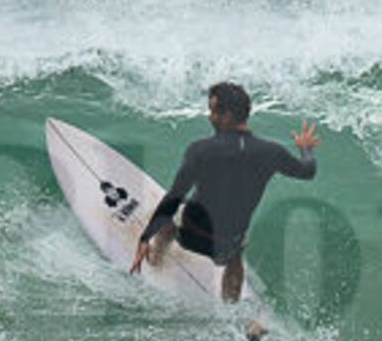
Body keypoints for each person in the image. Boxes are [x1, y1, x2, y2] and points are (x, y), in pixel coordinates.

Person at [129, 81, 320, 305]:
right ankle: (231, 306)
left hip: (191, 235)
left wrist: (145, 237)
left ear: (227, 115)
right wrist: (306, 149)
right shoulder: (272, 152)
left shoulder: (200, 150)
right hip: (226, 246)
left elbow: (174, 197)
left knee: (169, 219)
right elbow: (308, 171)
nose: (210, 117)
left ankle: (155, 258)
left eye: (213, 112)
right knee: (237, 254)